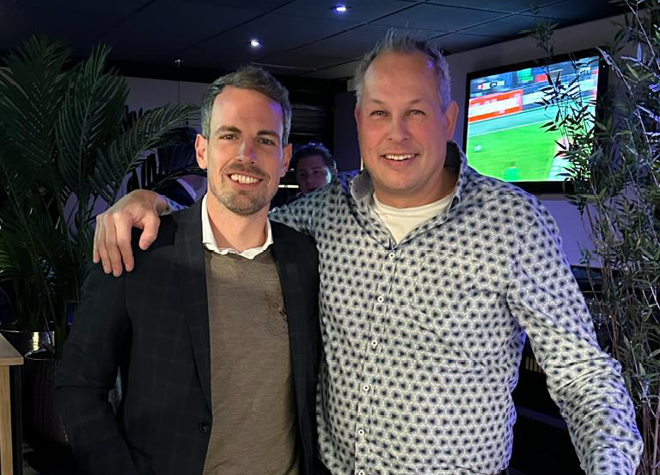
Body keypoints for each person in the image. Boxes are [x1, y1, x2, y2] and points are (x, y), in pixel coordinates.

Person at [91, 32, 643, 475]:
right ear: (359, 122)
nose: (396, 134)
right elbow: (235, 215)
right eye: (379, 113)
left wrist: (612, 465)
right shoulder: (316, 216)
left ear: (449, 120)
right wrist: (154, 203)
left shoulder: (515, 224)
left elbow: (583, 375)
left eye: (416, 113)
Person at [56, 66, 321, 475]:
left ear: (285, 158)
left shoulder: (305, 257)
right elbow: (79, 387)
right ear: (202, 150)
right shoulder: (139, 251)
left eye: (265, 140)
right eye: (229, 135)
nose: (246, 155)